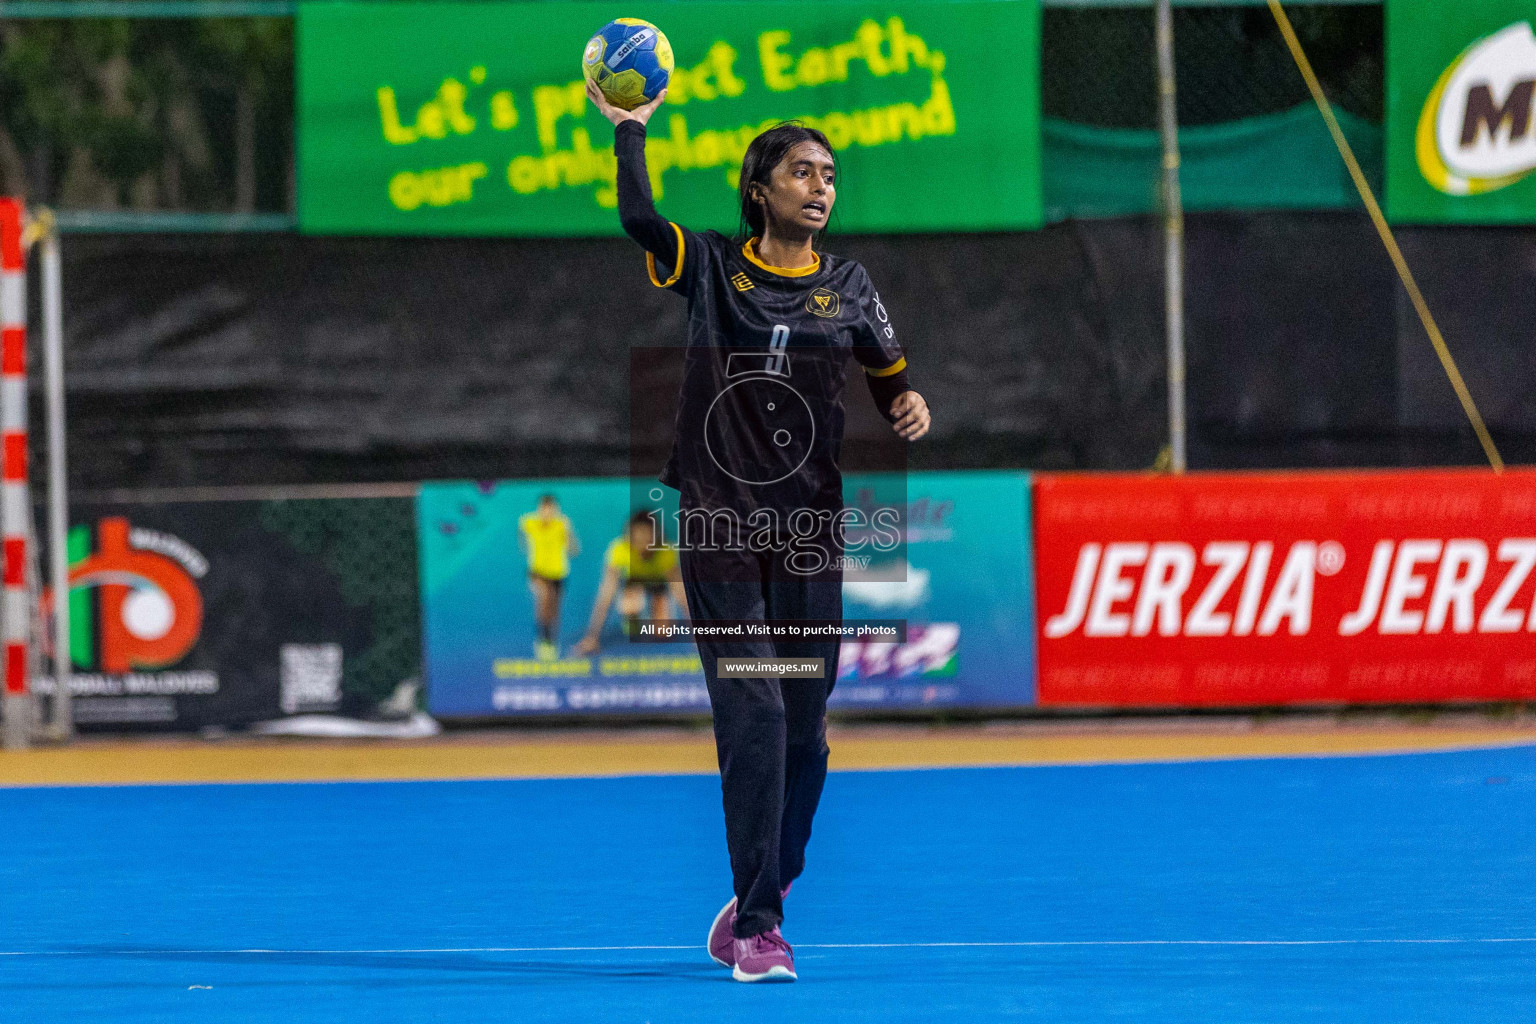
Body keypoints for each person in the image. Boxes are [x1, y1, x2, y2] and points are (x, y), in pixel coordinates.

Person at [587, 78, 931, 983]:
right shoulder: (708, 266)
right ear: (760, 190)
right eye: (800, 172)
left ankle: (762, 889)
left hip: (809, 531)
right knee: (756, 710)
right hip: (719, 523)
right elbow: (636, 217)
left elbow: (891, 373)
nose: (819, 187)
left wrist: (906, 404)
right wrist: (631, 129)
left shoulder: (851, 286)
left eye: (828, 174)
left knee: (807, 732)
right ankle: (762, 926)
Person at [572, 510, 688, 655]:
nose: (642, 542)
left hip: (658, 587)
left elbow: (682, 595)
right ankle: (634, 616)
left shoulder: (666, 552)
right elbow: (606, 595)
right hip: (632, 586)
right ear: (629, 536)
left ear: (656, 536)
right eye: (637, 537)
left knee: (663, 632)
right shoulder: (619, 551)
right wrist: (592, 638)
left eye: (647, 536)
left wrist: (700, 637)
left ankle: (654, 610)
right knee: (634, 627)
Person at [518, 493, 579, 661]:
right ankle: (542, 639)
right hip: (537, 572)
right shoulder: (528, 522)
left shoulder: (562, 525)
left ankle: (551, 640)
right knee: (543, 599)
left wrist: (568, 532)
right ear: (539, 509)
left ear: (556, 511)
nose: (547, 513)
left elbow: (574, 551)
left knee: (554, 610)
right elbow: (521, 540)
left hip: (559, 573)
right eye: (544, 510)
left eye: (551, 510)